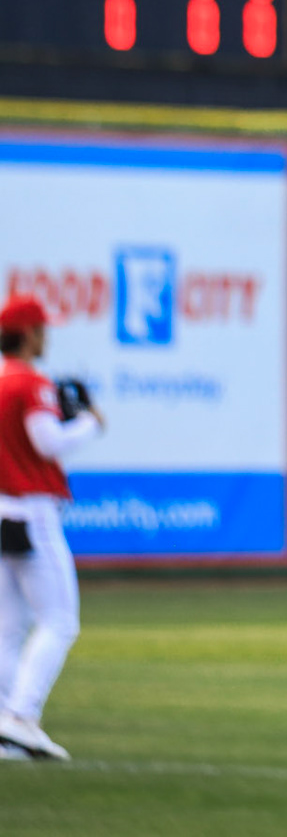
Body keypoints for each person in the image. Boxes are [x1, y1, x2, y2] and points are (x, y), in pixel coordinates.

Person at [0, 293, 104, 762]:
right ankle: (20, 716)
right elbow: (47, 442)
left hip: (2, 508)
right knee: (59, 621)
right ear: (28, 334)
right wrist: (89, 423)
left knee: (8, 626)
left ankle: (7, 723)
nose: (47, 336)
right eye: (42, 328)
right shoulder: (28, 383)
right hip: (31, 510)